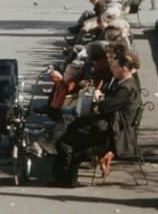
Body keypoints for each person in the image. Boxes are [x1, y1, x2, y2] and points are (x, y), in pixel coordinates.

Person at [53, 48, 141, 186]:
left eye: (115, 67)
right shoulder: (126, 84)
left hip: (112, 130)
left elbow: (103, 107)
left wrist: (99, 99)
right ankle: (67, 175)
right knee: (71, 128)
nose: (112, 70)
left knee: (65, 141)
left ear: (124, 68)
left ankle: (65, 179)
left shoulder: (126, 88)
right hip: (111, 124)